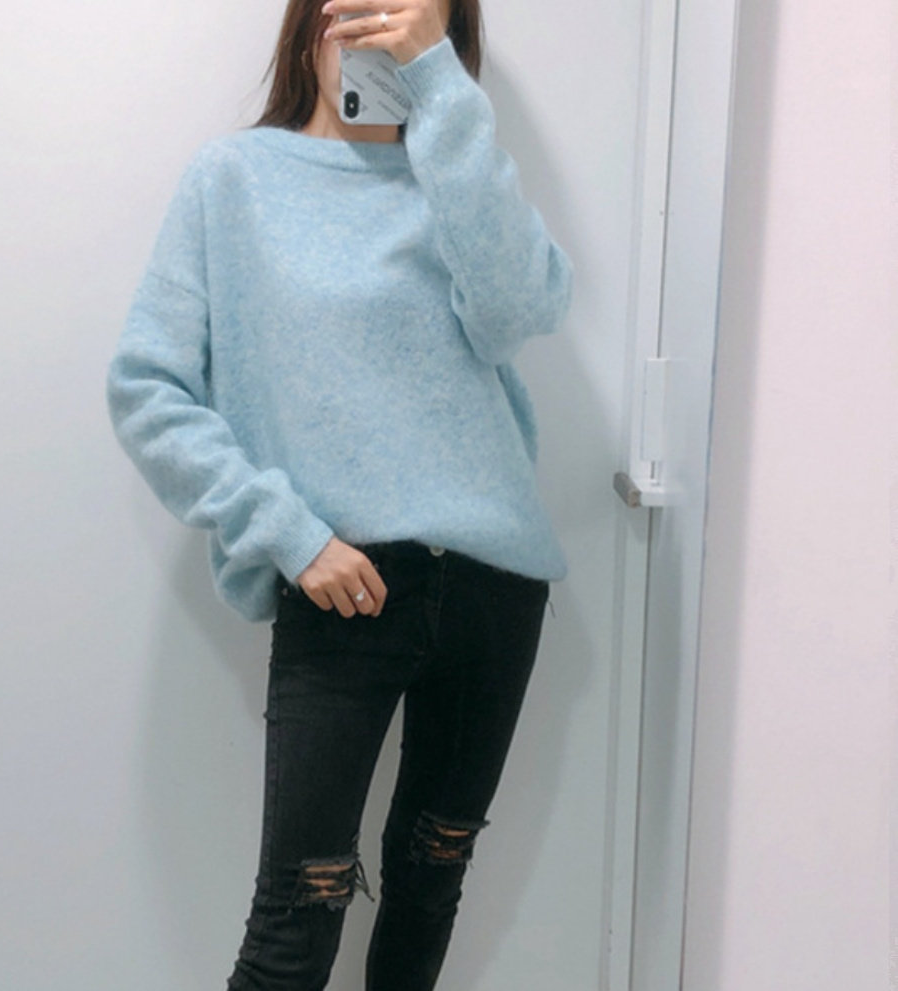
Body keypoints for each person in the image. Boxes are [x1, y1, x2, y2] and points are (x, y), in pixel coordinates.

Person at [106, 0, 574, 986]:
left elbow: (520, 309)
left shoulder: (457, 181)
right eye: (357, 11)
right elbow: (147, 388)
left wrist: (441, 95)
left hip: (493, 592)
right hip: (342, 587)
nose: (373, 35)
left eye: (404, 19)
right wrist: (286, 531)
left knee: (431, 885)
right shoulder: (235, 180)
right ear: (309, 23)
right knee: (297, 912)